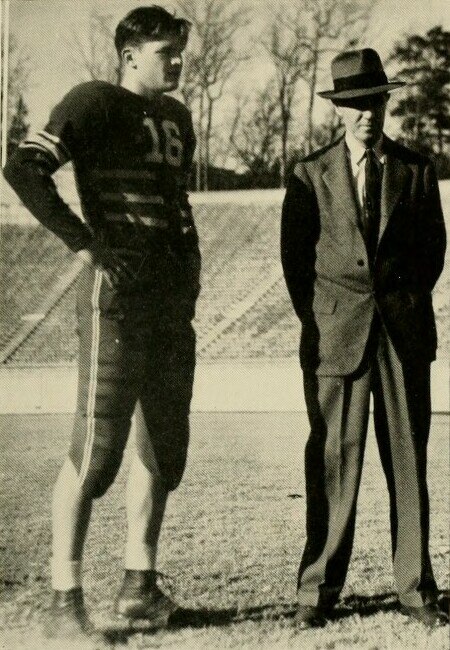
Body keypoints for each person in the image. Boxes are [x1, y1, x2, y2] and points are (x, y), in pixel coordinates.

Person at [3, 6, 200, 642]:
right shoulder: (93, 100)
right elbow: (23, 168)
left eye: (179, 50)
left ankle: (139, 585)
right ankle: (65, 597)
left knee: (164, 448)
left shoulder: (177, 117)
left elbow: (174, 203)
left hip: (171, 300)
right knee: (96, 455)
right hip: (118, 297)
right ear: (130, 53)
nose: (176, 60)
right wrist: (84, 242)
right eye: (165, 49)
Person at [281, 48, 448, 629]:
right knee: (332, 462)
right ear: (339, 110)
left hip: (403, 337)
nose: (365, 115)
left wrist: (399, 302)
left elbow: (433, 253)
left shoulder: (417, 169)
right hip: (337, 338)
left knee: (408, 462)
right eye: (353, 105)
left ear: (385, 103)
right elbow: (295, 264)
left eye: (374, 102)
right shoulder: (308, 174)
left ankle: (416, 587)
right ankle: (317, 590)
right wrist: (327, 317)